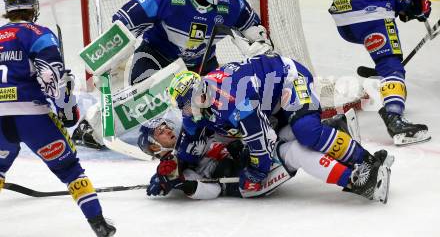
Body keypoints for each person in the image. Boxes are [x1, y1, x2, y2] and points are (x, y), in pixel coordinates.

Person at [73, 0, 269, 149]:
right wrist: (109, 56)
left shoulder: (231, 1)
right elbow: (125, 22)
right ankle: (91, 129)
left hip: (201, 64)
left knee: (216, 111)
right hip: (157, 56)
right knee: (145, 99)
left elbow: (254, 31)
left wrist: (262, 52)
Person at [0, 0, 115, 237]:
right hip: (33, 118)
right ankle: (99, 224)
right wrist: (67, 109)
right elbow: (54, 80)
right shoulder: (38, 34)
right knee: (70, 169)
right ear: (33, 6)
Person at [140, 110, 393, 203]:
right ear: (153, 148)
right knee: (295, 152)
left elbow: (217, 138)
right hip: (247, 180)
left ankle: (349, 149)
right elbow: (211, 190)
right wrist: (181, 183)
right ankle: (356, 182)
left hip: (252, 154)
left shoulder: (189, 135)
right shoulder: (175, 169)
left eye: (164, 126)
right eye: (159, 132)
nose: (166, 130)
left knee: (291, 130)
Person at [328, 0, 431, 145]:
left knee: (382, 53)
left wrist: (402, 7)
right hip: (370, 17)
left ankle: (386, 84)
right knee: (391, 63)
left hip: (344, 18)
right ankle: (394, 117)